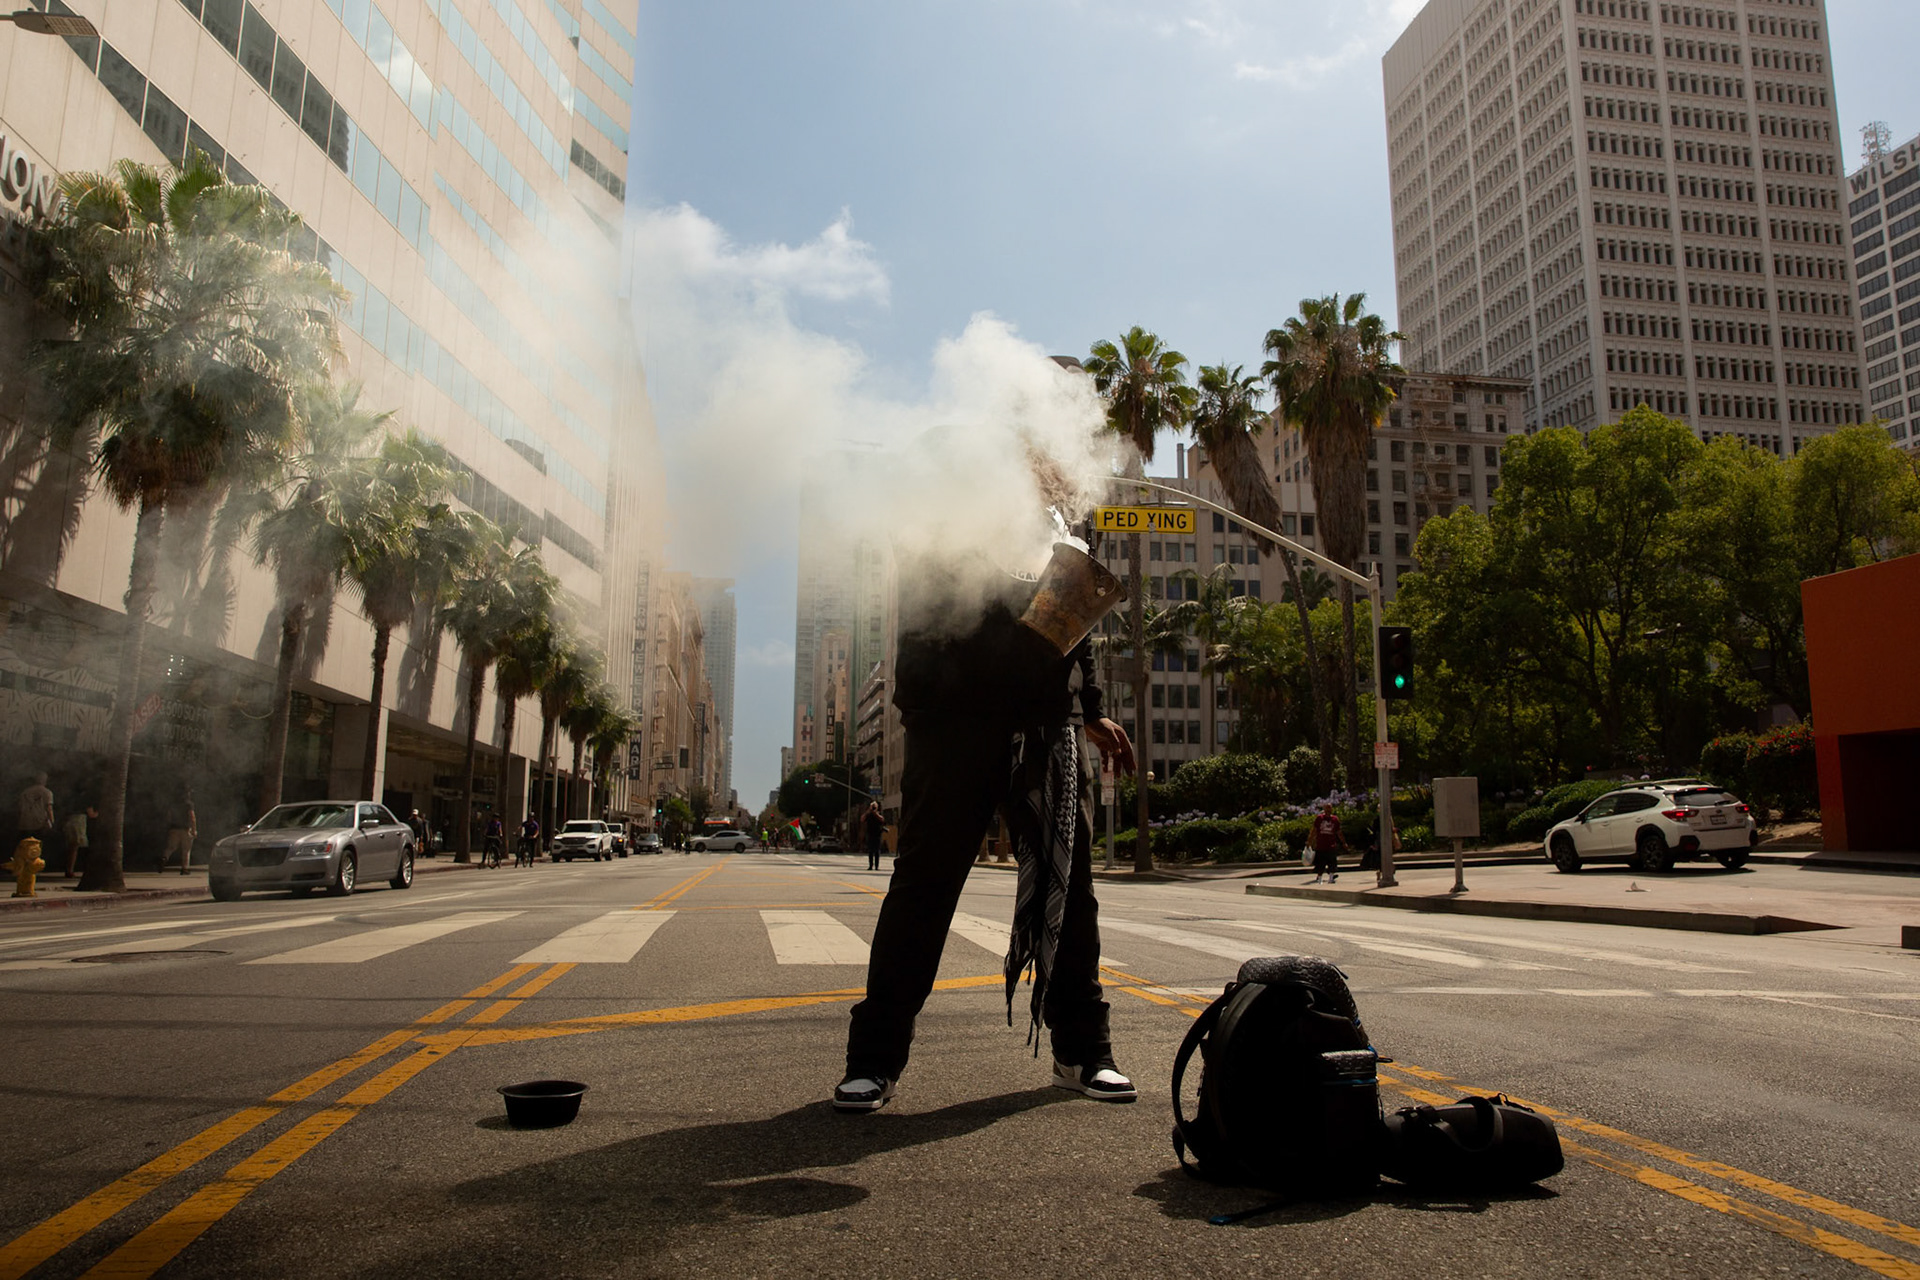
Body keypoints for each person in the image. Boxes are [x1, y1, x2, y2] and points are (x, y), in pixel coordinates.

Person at [835, 546, 1137, 1114]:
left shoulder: (1057, 509)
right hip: (953, 721)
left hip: (1046, 719)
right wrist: (922, 707)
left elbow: (1075, 607)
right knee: (924, 885)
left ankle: (1083, 1052)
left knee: (1069, 885)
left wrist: (1089, 706)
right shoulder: (947, 493)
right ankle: (873, 1061)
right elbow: (926, 602)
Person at [17, 772, 54, 859]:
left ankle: (25, 866)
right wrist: (52, 821)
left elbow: (20, 809)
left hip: (25, 823)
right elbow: (49, 808)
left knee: (25, 846)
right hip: (39, 823)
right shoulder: (47, 792)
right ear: (45, 780)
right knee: (37, 847)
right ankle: (35, 866)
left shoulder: (25, 792)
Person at [1308, 803, 1344, 884]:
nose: (1328, 810)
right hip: (1320, 845)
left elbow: (1339, 832)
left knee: (1332, 863)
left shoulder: (1335, 819)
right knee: (1320, 863)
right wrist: (1310, 841)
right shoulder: (1319, 818)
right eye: (1327, 808)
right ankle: (1319, 877)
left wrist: (1343, 842)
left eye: (1330, 808)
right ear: (1324, 809)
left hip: (1331, 845)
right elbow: (1314, 830)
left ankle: (1331, 877)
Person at [164, 788, 196, 876]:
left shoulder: (173, 804)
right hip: (185, 829)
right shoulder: (189, 804)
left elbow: (169, 816)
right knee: (186, 850)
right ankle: (185, 868)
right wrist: (194, 830)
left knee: (171, 847)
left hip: (174, 829)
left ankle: (164, 858)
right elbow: (192, 818)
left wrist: (170, 825)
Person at [62, 803, 96, 878]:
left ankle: (69, 869)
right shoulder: (86, 798)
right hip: (79, 821)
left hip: (69, 819)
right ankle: (70, 870)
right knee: (75, 847)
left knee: (72, 847)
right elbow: (91, 814)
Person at [862, 801, 885, 871]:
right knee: (870, 851)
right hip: (870, 834)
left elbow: (882, 819)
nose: (873, 808)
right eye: (873, 807)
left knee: (877, 851)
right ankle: (870, 865)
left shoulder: (878, 814)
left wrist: (875, 813)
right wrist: (868, 811)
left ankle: (877, 866)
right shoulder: (868, 815)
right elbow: (862, 819)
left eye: (875, 807)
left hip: (877, 834)